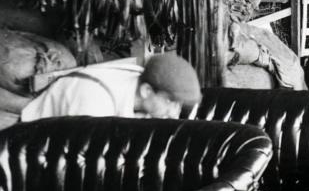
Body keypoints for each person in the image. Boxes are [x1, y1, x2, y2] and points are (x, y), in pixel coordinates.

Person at [20, 52, 203, 121]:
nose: (174, 113)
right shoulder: (95, 99)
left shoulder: (143, 95)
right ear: (146, 91)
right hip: (28, 149)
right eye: (170, 102)